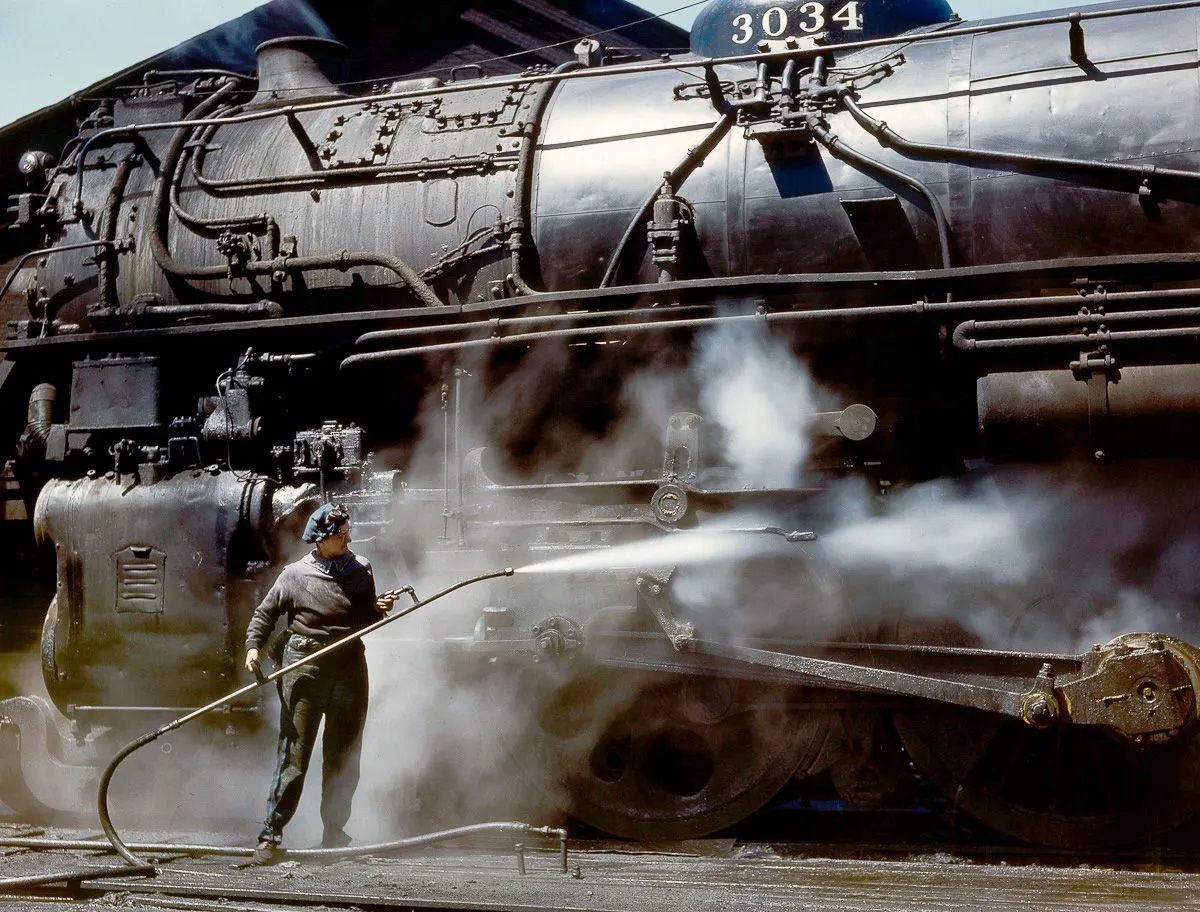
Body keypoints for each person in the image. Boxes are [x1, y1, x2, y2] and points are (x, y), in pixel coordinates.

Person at [243, 503, 395, 865]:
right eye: (340, 534)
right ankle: (270, 837)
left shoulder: (361, 569)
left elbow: (362, 619)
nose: (347, 538)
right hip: (305, 668)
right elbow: (265, 614)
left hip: (349, 667)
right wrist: (253, 647)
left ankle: (334, 834)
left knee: (344, 755)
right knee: (294, 756)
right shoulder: (294, 575)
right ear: (320, 540)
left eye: (347, 531)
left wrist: (378, 609)